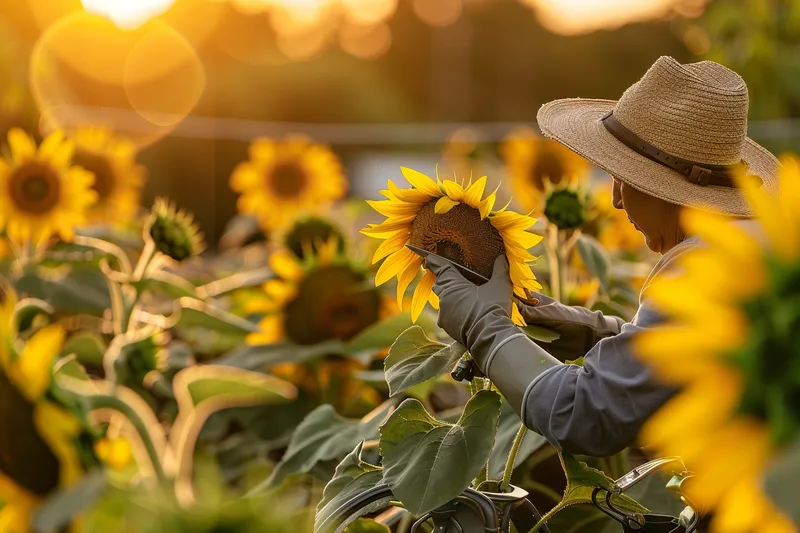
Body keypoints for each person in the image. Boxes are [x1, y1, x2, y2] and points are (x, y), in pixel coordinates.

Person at [425, 56, 780, 457]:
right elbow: (692, 362)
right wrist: (592, 332)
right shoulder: (761, 245)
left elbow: (586, 415)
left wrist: (485, 327)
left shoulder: (705, 264)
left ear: (663, 187)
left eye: (623, 178)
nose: (614, 198)